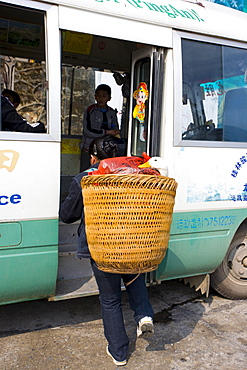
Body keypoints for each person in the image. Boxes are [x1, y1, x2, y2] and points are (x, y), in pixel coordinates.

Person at [59, 137, 154, 367]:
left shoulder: (84, 179)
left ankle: (119, 352)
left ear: (93, 157)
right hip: (132, 240)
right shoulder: (135, 175)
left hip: (101, 245)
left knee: (110, 300)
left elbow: (68, 216)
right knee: (133, 275)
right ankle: (143, 314)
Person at [81, 84, 120, 170]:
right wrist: (107, 132)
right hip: (89, 148)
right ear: (95, 97)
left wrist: (115, 132)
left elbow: (115, 127)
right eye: (98, 95)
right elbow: (88, 130)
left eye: (104, 96)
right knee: (86, 173)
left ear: (109, 98)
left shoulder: (111, 112)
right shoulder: (90, 110)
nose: (100, 98)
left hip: (105, 150)